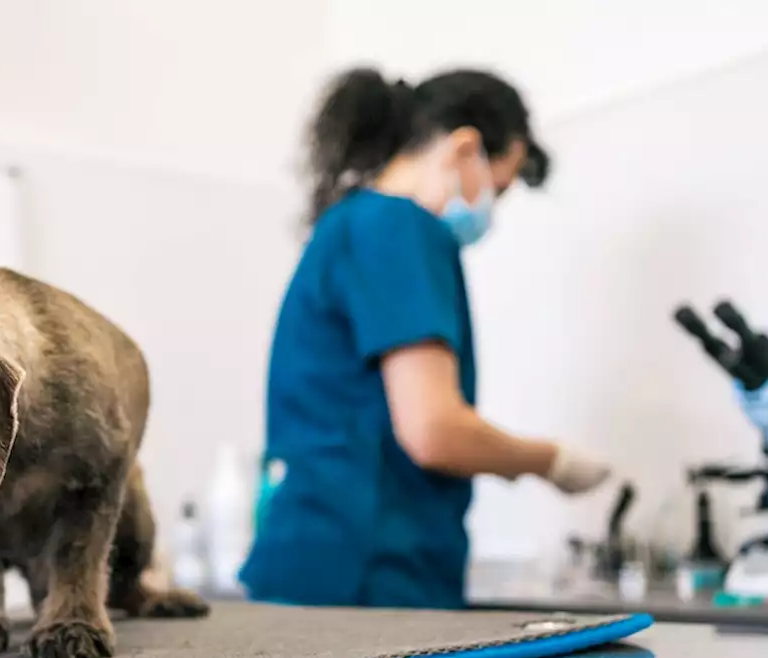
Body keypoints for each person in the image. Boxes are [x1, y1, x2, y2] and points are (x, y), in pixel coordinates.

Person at [239, 67, 612, 609]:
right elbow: (435, 431)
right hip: (369, 580)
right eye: (498, 188)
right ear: (466, 149)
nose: (491, 210)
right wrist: (549, 461)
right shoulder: (399, 227)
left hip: (315, 566)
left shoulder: (351, 223)